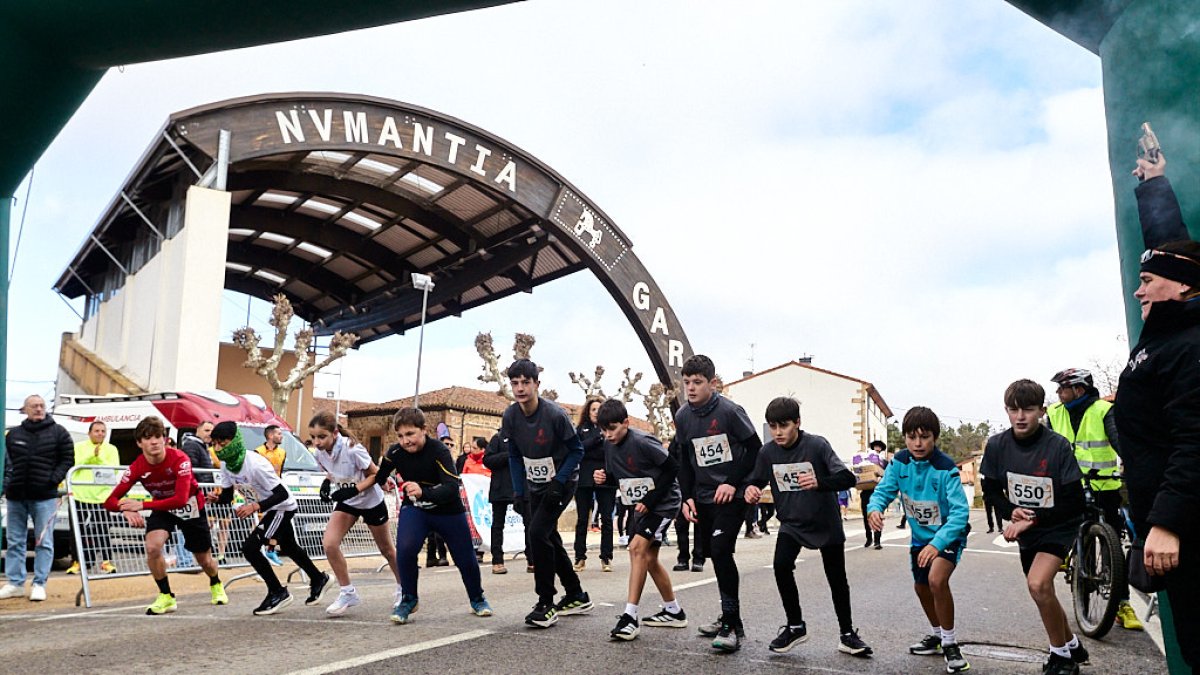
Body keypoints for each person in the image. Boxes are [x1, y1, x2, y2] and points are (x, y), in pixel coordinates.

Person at [1119, 150, 1200, 670]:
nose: (1138, 289)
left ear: (1184, 287)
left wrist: (1167, 523)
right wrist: (1154, 185)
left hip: (1188, 528)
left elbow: (1196, 438)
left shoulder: (1191, 344)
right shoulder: (1173, 331)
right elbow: (1169, 250)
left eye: (1147, 282)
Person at [747, 397, 872, 658]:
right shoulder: (767, 453)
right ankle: (795, 626)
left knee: (836, 578)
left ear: (798, 423)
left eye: (784, 426)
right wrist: (751, 489)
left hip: (825, 522)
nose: (778, 432)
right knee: (781, 566)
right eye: (773, 426)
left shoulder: (817, 445)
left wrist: (819, 482)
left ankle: (847, 634)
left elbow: (847, 478)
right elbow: (756, 479)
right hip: (792, 522)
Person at [981, 380, 1088, 675]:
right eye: (1013, 410)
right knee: (1042, 591)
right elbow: (990, 490)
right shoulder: (997, 445)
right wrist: (1010, 511)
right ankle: (1071, 644)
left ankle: (1061, 658)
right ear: (1006, 410)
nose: (1020, 417)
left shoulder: (1057, 446)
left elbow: (1075, 501)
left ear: (1041, 410)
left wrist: (1034, 519)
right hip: (1028, 531)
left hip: (1058, 526)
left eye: (1028, 409)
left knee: (1038, 584)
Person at [866, 406, 971, 674]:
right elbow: (883, 491)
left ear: (934, 438)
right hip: (920, 539)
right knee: (921, 587)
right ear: (905, 438)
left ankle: (950, 643)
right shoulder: (899, 463)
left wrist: (937, 544)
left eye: (925, 437)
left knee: (937, 580)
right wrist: (874, 509)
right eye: (912, 437)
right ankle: (937, 635)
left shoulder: (946, 468)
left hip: (948, 535)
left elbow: (960, 513)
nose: (918, 443)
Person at [675, 354, 762, 652]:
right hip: (703, 495)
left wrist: (733, 482)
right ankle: (731, 617)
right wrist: (686, 497)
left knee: (722, 550)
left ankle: (730, 626)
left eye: (697, 382)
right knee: (714, 553)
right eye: (687, 382)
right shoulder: (682, 416)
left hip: (732, 494)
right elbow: (684, 459)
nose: (691, 388)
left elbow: (755, 449)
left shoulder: (730, 411)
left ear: (712, 383)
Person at [375, 407, 493, 623]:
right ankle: (409, 599)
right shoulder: (395, 452)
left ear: (424, 430)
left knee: (464, 557)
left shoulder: (439, 450)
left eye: (410, 434)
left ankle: (477, 598)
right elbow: (380, 474)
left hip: (448, 510)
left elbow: (452, 486)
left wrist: (423, 491)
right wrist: (383, 481)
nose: (405, 441)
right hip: (416, 509)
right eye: (400, 436)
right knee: (405, 550)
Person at [100, 416, 228, 614]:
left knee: (204, 560)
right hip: (162, 507)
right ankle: (166, 595)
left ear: (165, 439)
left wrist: (141, 505)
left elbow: (180, 499)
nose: (154, 442)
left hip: (190, 506)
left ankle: (215, 582)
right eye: (148, 438)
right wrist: (125, 509)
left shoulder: (180, 459)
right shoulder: (137, 467)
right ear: (139, 443)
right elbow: (109, 501)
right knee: (152, 547)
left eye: (158, 437)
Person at [1047, 367, 1141, 631]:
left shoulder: (1103, 410)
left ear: (1079, 389)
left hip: (1104, 485)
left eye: (1063, 388)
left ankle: (1122, 604)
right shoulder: (1054, 413)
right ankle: (1067, 553)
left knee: (1113, 543)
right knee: (1064, 523)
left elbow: (1119, 440)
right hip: (1069, 486)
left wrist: (1134, 464)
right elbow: (1047, 447)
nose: (1058, 393)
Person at [502, 358, 592, 628]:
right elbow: (514, 455)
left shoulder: (554, 414)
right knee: (547, 535)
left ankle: (546, 602)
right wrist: (518, 492)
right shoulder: (511, 416)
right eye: (515, 383)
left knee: (537, 533)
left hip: (562, 482)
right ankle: (575, 593)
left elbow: (577, 450)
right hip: (535, 484)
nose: (520, 388)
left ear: (536, 384)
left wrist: (559, 482)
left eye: (525, 382)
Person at [209, 421, 329, 615]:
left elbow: (282, 494)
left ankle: (277, 591)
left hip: (281, 507)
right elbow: (227, 496)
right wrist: (216, 499)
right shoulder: (226, 465)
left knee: (250, 548)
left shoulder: (255, 464)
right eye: (214, 444)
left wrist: (255, 506)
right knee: (289, 546)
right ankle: (318, 579)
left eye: (222, 443)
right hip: (269, 508)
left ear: (235, 441)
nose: (218, 449)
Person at [592, 399, 686, 640]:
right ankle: (674, 611)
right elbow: (620, 477)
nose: (608, 435)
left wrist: (651, 499)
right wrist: (605, 478)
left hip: (663, 504)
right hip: (641, 506)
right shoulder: (609, 445)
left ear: (625, 423)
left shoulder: (643, 441)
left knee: (636, 549)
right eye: (603, 430)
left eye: (612, 429)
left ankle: (630, 616)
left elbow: (672, 467)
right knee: (649, 559)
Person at [308, 411, 402, 618]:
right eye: (313, 437)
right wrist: (327, 483)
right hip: (348, 502)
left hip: (370, 501)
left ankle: (403, 588)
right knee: (329, 544)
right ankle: (347, 592)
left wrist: (355, 489)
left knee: (387, 549)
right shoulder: (319, 453)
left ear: (334, 433)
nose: (317, 442)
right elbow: (332, 472)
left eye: (322, 437)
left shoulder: (352, 449)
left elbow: (376, 474)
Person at [0, 395, 73, 602]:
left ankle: (39, 583)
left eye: (41, 405)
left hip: (44, 497)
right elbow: (6, 462)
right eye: (34, 406)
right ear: (25, 409)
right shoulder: (13, 434)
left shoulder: (59, 432)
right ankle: (15, 583)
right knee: (15, 541)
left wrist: (53, 480)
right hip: (16, 496)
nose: (39, 409)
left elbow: (68, 458)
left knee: (44, 541)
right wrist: (7, 485)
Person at [66, 420, 120, 576]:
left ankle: (106, 562)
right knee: (77, 530)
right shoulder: (79, 447)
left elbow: (114, 470)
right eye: (97, 431)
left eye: (103, 431)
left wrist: (99, 458)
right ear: (89, 433)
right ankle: (76, 562)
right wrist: (91, 456)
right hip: (80, 494)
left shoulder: (111, 449)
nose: (100, 434)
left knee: (103, 530)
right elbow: (74, 465)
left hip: (101, 496)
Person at [573, 396, 616, 573]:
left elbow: (612, 452)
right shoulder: (581, 430)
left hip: (605, 477)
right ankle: (579, 557)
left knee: (607, 519)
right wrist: (596, 439)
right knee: (582, 519)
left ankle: (606, 557)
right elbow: (578, 449)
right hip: (584, 478)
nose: (596, 413)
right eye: (593, 409)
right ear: (588, 412)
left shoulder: (610, 430)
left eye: (599, 409)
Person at [482, 432, 527, 574]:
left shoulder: (524, 436)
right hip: (500, 488)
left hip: (521, 487)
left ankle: (532, 560)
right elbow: (487, 460)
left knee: (529, 523)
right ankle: (497, 561)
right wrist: (508, 455)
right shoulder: (498, 438)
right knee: (497, 525)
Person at [253, 424, 288, 567]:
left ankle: (271, 549)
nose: (281, 436)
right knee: (260, 521)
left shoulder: (282, 452)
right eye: (279, 434)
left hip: (276, 492)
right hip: (262, 491)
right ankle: (256, 549)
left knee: (279, 519)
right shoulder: (258, 452)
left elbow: (280, 473)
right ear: (270, 435)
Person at [852, 441, 885, 549]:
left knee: (878, 516)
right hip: (866, 493)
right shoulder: (864, 460)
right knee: (866, 516)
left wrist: (881, 478)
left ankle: (877, 541)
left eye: (879, 447)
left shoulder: (883, 462)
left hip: (878, 493)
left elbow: (887, 475)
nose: (877, 448)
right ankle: (869, 538)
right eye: (876, 446)